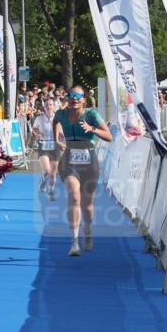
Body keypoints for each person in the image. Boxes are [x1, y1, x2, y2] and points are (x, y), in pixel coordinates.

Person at [53, 86, 113, 256]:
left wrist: (92, 129)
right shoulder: (61, 114)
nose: (74, 98)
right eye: (71, 95)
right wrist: (56, 138)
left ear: (84, 100)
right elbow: (55, 122)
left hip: (89, 162)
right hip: (69, 160)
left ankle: (87, 229)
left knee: (87, 204)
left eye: (78, 96)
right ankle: (74, 242)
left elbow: (109, 136)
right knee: (73, 195)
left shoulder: (92, 115)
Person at [32, 97, 59, 200]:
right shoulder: (39, 118)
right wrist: (37, 133)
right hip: (43, 145)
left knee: (53, 173)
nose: (48, 107)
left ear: (53, 106)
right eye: (47, 105)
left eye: (50, 105)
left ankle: (51, 191)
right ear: (44, 107)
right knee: (47, 171)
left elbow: (61, 132)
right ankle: (43, 181)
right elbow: (34, 128)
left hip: (55, 146)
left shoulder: (57, 118)